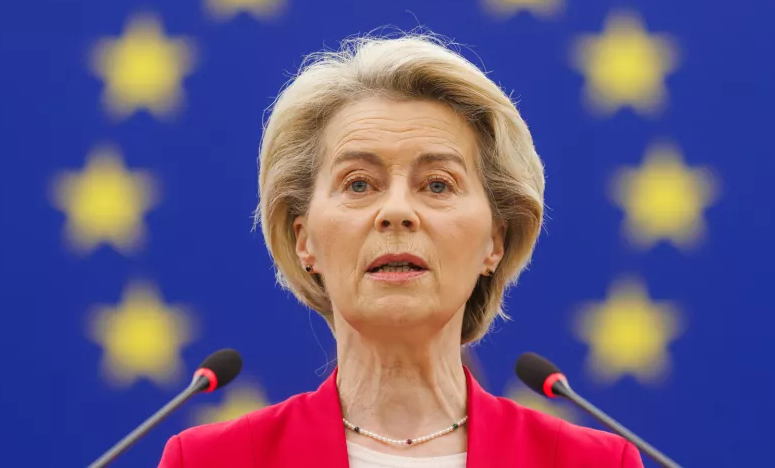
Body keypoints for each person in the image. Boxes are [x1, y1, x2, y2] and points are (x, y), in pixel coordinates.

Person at [158, 33, 643, 467]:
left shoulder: (591, 461)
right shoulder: (211, 460)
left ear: (495, 239)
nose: (396, 212)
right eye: (359, 183)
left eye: (436, 184)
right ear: (304, 239)